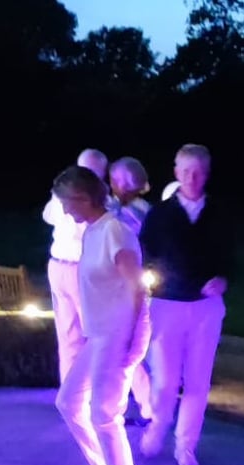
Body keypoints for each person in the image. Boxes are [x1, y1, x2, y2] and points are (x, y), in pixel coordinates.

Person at [52, 166, 149, 465]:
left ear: (81, 199)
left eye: (65, 202)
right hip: (99, 334)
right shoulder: (92, 232)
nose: (63, 210)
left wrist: (135, 340)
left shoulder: (115, 232)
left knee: (105, 415)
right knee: (69, 401)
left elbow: (138, 287)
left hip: (117, 334)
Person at [138, 144, 234, 465]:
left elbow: (230, 257)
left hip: (206, 307)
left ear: (206, 174)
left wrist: (223, 278)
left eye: (199, 172)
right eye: (186, 171)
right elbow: (144, 254)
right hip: (167, 305)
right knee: (165, 380)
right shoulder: (161, 214)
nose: (193, 178)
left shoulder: (219, 213)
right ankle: (158, 425)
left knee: (198, 380)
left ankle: (186, 445)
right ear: (176, 173)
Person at [43, 149, 109, 417]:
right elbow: (48, 215)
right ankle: (71, 398)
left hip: (84, 270)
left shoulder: (102, 204)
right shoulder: (62, 198)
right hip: (59, 266)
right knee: (68, 335)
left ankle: (100, 396)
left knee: (96, 333)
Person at [108, 156, 155, 425]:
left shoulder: (135, 212)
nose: (111, 185)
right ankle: (133, 407)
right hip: (120, 286)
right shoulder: (121, 208)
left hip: (128, 287)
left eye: (115, 180)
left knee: (129, 350)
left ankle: (135, 408)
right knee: (129, 352)